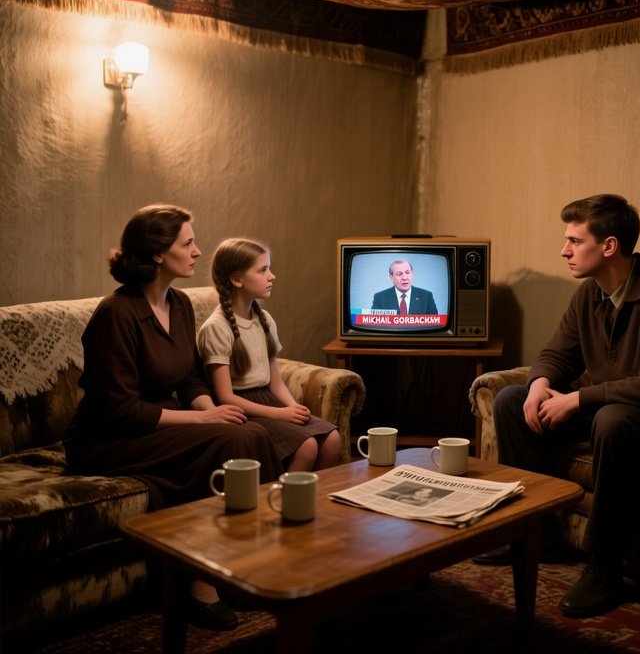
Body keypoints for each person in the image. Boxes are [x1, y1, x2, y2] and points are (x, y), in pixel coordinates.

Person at [474, 194, 640, 618]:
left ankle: (605, 565)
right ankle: (535, 535)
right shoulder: (591, 293)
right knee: (512, 400)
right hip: (613, 408)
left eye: (574, 240)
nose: (564, 251)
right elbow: (557, 353)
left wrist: (577, 399)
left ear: (608, 246)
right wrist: (539, 384)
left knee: (611, 420)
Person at [63, 204, 284, 632]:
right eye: (188, 243)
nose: (198, 251)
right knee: (233, 442)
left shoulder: (180, 304)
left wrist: (211, 410)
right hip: (107, 438)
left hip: (159, 423)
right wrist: (202, 423)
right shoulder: (117, 314)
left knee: (250, 432)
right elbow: (120, 410)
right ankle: (201, 584)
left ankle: (251, 562)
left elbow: (189, 380)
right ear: (158, 254)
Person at [197, 238, 340, 472]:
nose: (272, 276)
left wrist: (293, 408)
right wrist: (280, 414)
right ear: (236, 279)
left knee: (332, 439)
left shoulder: (265, 320)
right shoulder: (217, 327)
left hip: (269, 400)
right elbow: (225, 397)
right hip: (244, 409)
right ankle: (283, 506)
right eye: (262, 270)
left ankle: (314, 502)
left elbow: (276, 382)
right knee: (307, 447)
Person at [371, 258, 438, 315]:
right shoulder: (380, 298)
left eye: (407, 272)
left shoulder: (426, 296)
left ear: (412, 274)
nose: (404, 278)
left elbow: (435, 325)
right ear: (391, 277)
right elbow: (373, 323)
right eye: (399, 274)